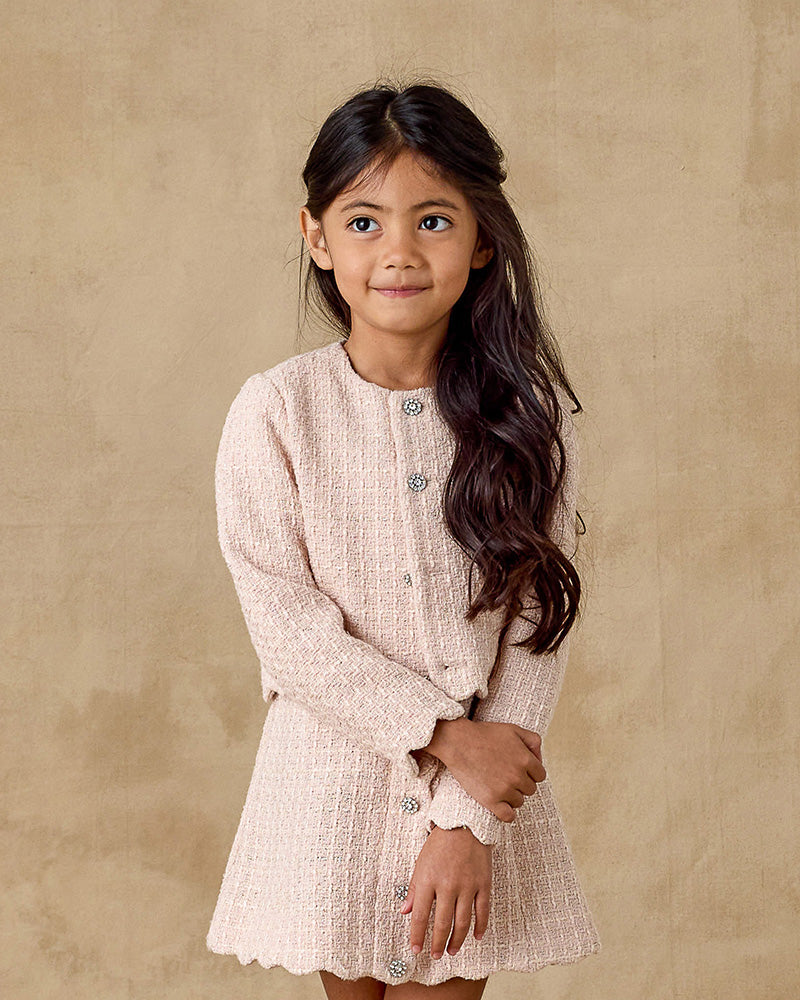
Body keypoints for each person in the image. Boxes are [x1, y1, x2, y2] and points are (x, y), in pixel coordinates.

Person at [205, 78, 601, 999]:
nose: (398, 251)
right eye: (363, 221)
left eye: (433, 220)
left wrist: (466, 817)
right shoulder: (277, 412)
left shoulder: (530, 420)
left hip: (472, 814)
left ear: (482, 238)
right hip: (329, 793)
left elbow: (537, 627)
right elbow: (288, 630)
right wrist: (440, 734)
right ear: (315, 234)